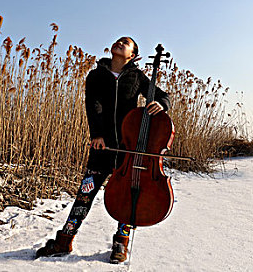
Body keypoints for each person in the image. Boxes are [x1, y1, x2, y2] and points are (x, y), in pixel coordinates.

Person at [35, 36, 171, 263]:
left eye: (125, 43)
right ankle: (65, 239)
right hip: (102, 146)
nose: (119, 43)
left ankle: (121, 243)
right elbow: (93, 105)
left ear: (133, 54)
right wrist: (96, 134)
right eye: (118, 41)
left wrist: (161, 104)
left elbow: (162, 96)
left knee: (128, 198)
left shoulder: (136, 77)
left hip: (128, 151)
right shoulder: (96, 75)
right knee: (85, 195)